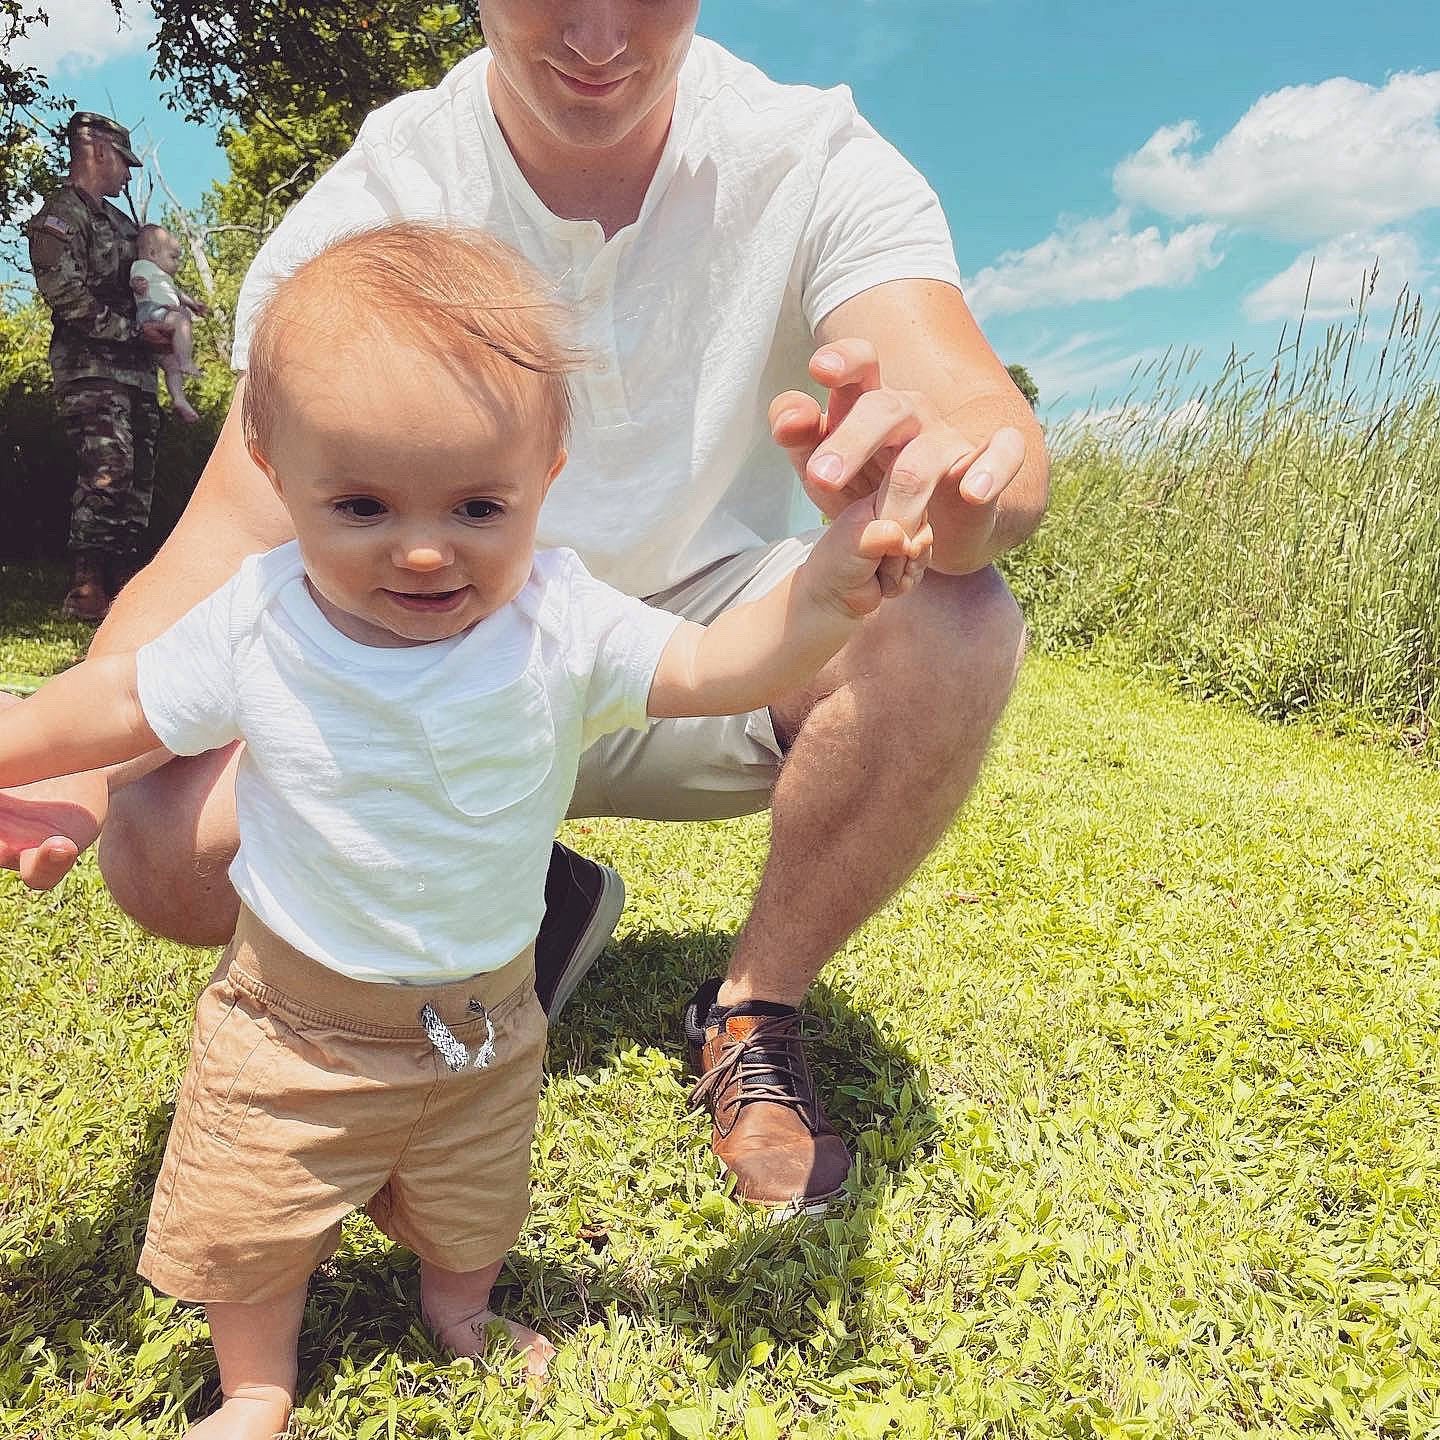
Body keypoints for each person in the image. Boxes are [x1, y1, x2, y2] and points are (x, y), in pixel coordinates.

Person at [0, 2, 1049, 1217]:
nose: (599, 32)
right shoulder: (378, 196)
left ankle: (753, 1007)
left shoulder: (809, 154)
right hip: (432, 664)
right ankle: (527, 898)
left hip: (698, 642)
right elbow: (226, 540)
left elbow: (976, 412)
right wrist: (72, 762)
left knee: (955, 616)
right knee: (160, 849)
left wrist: (955, 489)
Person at [0, 222, 928, 1440]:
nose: (427, 548)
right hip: (294, 1019)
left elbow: (710, 666)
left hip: (484, 1018)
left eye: (478, 505)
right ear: (275, 472)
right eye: (364, 504)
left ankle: (461, 1310)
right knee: (258, 1210)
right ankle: (259, 1385)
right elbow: (121, 699)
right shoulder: (262, 619)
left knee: (474, 1202)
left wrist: (814, 601)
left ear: (550, 466)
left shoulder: (561, 615)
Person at [23, 112, 164, 619]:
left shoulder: (122, 225)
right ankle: (86, 583)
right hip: (91, 371)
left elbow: (149, 282)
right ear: (100, 151)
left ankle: (124, 584)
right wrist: (132, 332)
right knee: (108, 470)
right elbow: (65, 294)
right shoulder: (61, 217)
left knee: (139, 478)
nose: (128, 174)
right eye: (125, 162)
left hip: (139, 375)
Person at [131, 223, 208, 424]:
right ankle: (186, 360)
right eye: (173, 257)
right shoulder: (144, 266)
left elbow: (178, 295)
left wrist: (193, 304)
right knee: (181, 321)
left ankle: (179, 399)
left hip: (162, 314)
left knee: (170, 365)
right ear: (153, 253)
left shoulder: (165, 279)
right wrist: (137, 285)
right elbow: (135, 278)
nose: (177, 264)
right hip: (152, 310)